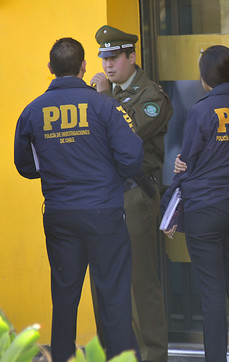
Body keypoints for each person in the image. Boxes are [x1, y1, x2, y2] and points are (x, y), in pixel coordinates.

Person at [14, 37, 143, 362]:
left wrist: (57, 173)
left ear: (50, 69)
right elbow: (132, 157)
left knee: (65, 299)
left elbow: (25, 166)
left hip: (60, 215)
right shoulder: (105, 106)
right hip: (104, 214)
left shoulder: (32, 111)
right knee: (114, 298)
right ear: (84, 66)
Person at [166, 45, 229, 362]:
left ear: (206, 76)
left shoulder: (202, 110)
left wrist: (182, 166)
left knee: (211, 293)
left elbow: (189, 159)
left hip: (205, 207)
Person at [89, 25, 172, 362]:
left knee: (140, 281)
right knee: (104, 280)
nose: (107, 65)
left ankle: (152, 354)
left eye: (114, 57)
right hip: (101, 196)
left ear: (131, 57)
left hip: (135, 193)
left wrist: (105, 96)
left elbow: (125, 133)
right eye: (104, 58)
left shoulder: (150, 96)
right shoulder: (99, 94)